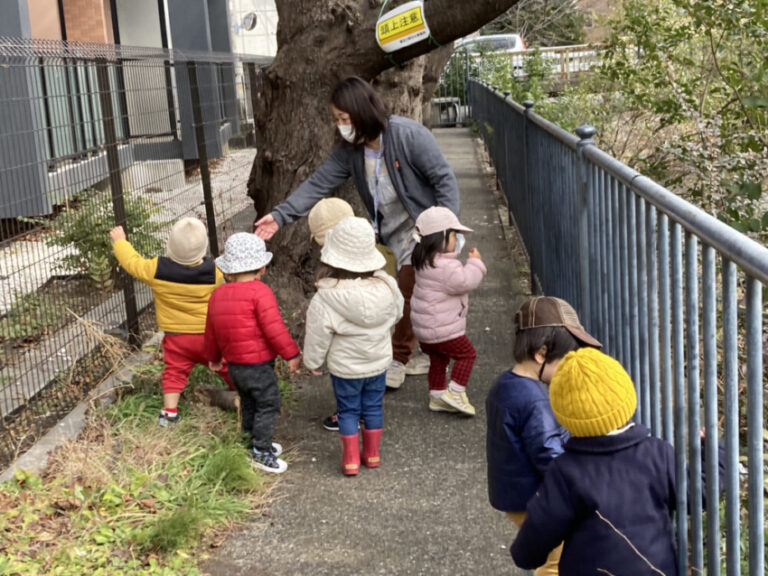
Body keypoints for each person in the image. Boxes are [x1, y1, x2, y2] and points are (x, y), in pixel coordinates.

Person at [254, 76, 460, 390]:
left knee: (408, 286)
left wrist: (446, 231)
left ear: (363, 112)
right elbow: (317, 184)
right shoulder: (350, 152)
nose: (340, 126)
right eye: (337, 120)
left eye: (344, 119)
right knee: (398, 294)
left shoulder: (408, 136)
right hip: (388, 233)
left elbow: (444, 180)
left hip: (426, 229)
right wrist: (280, 217)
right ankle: (417, 353)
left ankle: (399, 358)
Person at [510, 348, 723, 575]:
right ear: (626, 397)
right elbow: (701, 491)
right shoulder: (657, 454)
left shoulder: (565, 472)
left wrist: (523, 555)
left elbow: (539, 533)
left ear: (565, 416)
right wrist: (714, 450)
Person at [486, 296, 602, 576]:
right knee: (557, 562)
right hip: (534, 498)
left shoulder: (505, 383)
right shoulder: (535, 401)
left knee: (547, 557)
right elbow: (549, 457)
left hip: (514, 493)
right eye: (565, 360)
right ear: (541, 353)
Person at [302, 217, 403, 476]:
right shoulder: (388, 286)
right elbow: (398, 313)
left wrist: (313, 362)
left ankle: (350, 460)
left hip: (345, 368)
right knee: (373, 407)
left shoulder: (326, 296)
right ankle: (372, 454)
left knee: (347, 411)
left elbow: (317, 334)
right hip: (379, 361)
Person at [109, 218, 233, 427]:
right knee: (226, 365)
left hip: (177, 338)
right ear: (204, 249)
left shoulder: (156, 269)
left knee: (174, 372)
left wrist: (120, 242)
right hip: (208, 337)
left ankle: (169, 413)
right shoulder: (215, 273)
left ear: (169, 245)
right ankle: (241, 390)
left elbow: (132, 263)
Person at [204, 233, 301, 474]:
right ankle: (261, 450)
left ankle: (250, 442)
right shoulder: (260, 292)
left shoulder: (217, 295)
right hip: (258, 365)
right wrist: (290, 354)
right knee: (268, 404)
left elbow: (211, 330)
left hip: (235, 366)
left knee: (248, 402)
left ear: (228, 270)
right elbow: (274, 328)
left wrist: (214, 357)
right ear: (262, 267)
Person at [410, 206, 486, 416]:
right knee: (467, 355)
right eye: (454, 236)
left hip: (425, 331)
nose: (457, 241)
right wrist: (475, 262)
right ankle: (455, 392)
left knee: (438, 360)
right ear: (440, 238)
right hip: (442, 330)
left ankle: (437, 396)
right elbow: (465, 281)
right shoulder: (446, 267)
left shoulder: (423, 260)